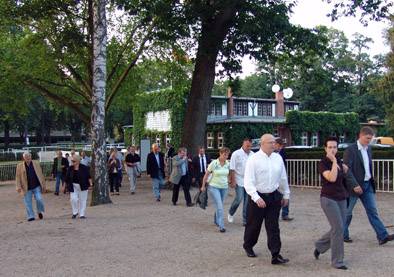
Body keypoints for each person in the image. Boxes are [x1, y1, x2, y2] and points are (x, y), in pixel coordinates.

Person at [243, 134, 290, 265]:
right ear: (262, 144)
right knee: (254, 225)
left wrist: (286, 194)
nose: (274, 145)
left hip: (274, 196)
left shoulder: (278, 158)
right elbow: (248, 181)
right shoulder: (253, 159)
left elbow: (283, 178)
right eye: (271, 142)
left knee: (273, 226)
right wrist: (256, 197)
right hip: (257, 196)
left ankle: (276, 254)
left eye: (274, 142)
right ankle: (248, 245)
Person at [343, 126, 394, 245]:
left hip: (367, 185)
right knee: (348, 212)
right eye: (367, 138)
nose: (369, 141)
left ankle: (383, 236)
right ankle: (342, 234)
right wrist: (355, 185)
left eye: (370, 139)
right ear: (360, 136)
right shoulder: (350, 150)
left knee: (372, 211)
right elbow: (347, 170)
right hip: (353, 187)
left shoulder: (368, 149)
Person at [314, 137, 352, 270]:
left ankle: (320, 245)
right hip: (328, 199)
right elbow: (332, 178)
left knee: (339, 228)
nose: (332, 149)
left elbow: (343, 178)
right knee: (338, 228)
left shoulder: (340, 161)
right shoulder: (323, 162)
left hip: (341, 198)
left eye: (335, 147)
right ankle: (337, 261)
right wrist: (335, 162)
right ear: (325, 148)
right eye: (330, 147)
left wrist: (342, 166)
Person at [201, 147, 231, 233]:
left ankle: (216, 220)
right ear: (220, 154)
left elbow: (228, 173)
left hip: (224, 187)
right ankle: (221, 225)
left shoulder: (227, 164)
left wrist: (229, 180)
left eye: (227, 155)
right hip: (214, 187)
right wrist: (203, 186)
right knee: (220, 206)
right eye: (225, 154)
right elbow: (206, 175)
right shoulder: (214, 163)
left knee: (219, 205)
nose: (226, 156)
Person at [227, 138, 254, 226]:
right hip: (238, 179)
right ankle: (231, 212)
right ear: (243, 144)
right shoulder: (236, 154)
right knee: (239, 198)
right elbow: (232, 168)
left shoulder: (252, 154)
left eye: (250, 146)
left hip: (248, 181)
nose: (249, 148)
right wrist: (232, 180)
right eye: (247, 146)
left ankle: (245, 220)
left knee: (247, 201)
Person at [15, 152, 46, 221]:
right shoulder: (19, 166)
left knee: (39, 199)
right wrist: (18, 187)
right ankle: (31, 216)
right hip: (26, 187)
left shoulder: (36, 164)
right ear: (24, 158)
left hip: (36, 186)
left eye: (29, 156)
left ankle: (39, 211)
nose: (28, 158)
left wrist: (44, 185)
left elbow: (41, 175)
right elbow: (18, 177)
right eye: (26, 157)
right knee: (28, 202)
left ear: (31, 157)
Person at [65, 154, 93, 219]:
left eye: (74, 161)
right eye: (72, 161)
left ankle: (82, 214)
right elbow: (67, 178)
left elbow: (89, 177)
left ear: (78, 161)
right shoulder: (70, 168)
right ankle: (75, 212)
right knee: (73, 199)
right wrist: (65, 185)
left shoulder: (84, 168)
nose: (72, 162)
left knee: (83, 200)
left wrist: (91, 184)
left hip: (83, 186)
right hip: (74, 186)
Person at [274, 137, 294, 221]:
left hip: (281, 176)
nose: (279, 147)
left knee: (286, 194)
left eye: (280, 146)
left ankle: (285, 214)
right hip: (274, 178)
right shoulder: (270, 153)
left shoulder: (282, 153)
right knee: (276, 197)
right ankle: (275, 214)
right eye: (278, 145)